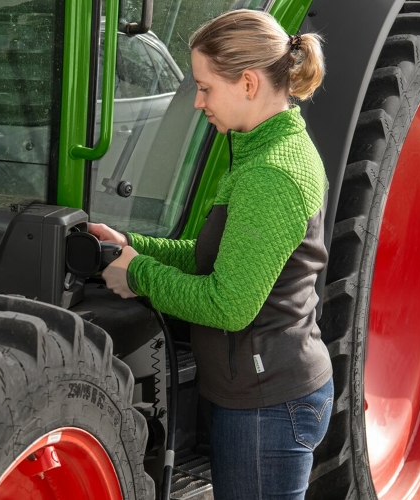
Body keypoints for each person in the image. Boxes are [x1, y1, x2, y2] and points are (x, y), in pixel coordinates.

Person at [89, 9, 332, 500]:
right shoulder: (259, 149)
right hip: (262, 395)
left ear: (246, 83)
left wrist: (138, 275)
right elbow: (214, 254)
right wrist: (133, 246)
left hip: (268, 406)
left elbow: (228, 304)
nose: (198, 102)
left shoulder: (271, 174)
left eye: (204, 87)